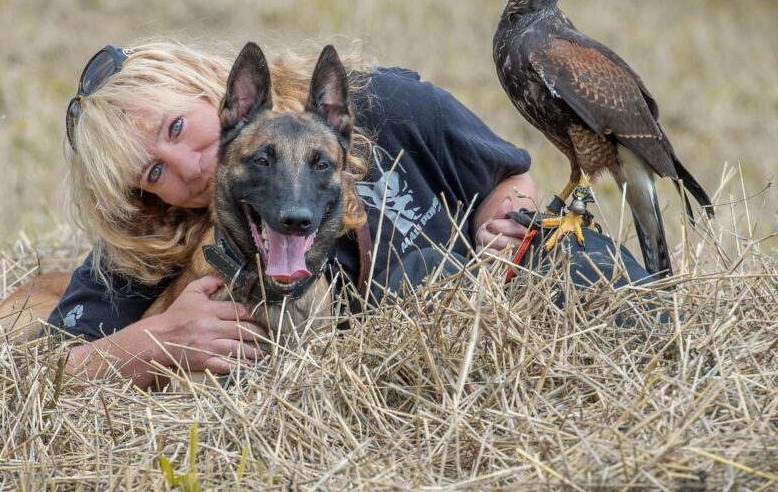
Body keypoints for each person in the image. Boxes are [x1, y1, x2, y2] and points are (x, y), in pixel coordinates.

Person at [48, 39, 655, 389]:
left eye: (176, 126)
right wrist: (160, 340)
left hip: (491, 317)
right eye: (153, 172)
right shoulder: (153, 245)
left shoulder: (388, 102)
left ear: (222, 91)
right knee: (412, 282)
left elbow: (505, 173)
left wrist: (506, 223)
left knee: (582, 269)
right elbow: (39, 376)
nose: (187, 166)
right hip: (411, 372)